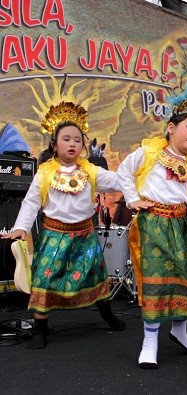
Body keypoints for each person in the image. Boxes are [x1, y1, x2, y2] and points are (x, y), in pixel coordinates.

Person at [1, 80, 126, 349]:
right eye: (66, 139)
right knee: (45, 278)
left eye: (77, 140)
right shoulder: (44, 173)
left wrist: (142, 178)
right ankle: (40, 329)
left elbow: (120, 181)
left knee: (96, 277)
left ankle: (107, 315)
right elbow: (31, 203)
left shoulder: (91, 172)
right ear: (54, 144)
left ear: (83, 146)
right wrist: (21, 227)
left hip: (85, 236)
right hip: (54, 236)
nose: (72, 144)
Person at [117, 84, 187, 369]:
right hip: (153, 224)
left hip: (182, 228)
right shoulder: (150, 153)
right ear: (170, 127)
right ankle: (150, 341)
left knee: (186, 278)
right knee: (155, 283)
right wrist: (133, 199)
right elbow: (124, 173)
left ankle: (179, 330)